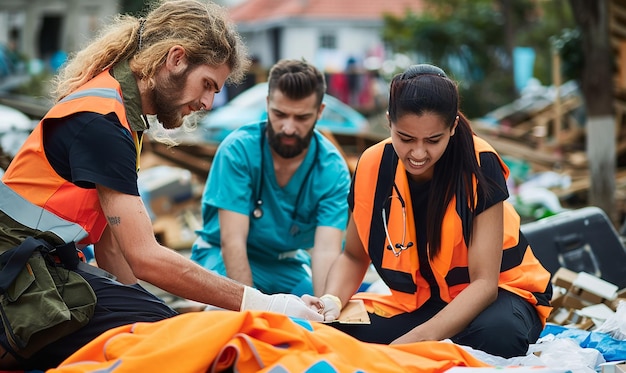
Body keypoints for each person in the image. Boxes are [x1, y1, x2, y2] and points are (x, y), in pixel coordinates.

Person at [0, 2, 323, 371]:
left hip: (34, 268)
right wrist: (268, 304)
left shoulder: (117, 109)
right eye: (207, 85)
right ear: (175, 58)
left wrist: (154, 308)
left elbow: (113, 252)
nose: (207, 102)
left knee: (168, 330)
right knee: (177, 346)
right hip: (17, 280)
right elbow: (145, 256)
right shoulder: (103, 122)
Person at [303, 64, 553, 358]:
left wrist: (419, 339)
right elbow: (354, 256)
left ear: (452, 127)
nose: (418, 153)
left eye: (433, 140)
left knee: (498, 336)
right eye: (406, 139)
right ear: (389, 123)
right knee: (333, 331)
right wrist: (331, 301)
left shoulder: (479, 163)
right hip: (423, 303)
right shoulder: (371, 165)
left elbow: (485, 284)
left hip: (500, 295)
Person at [191, 59, 351, 297]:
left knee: (313, 313)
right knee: (227, 317)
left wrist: (323, 310)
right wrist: (254, 308)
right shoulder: (238, 151)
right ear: (267, 104)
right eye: (280, 114)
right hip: (221, 255)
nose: (288, 127)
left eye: (301, 118)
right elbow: (232, 243)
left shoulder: (332, 169)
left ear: (319, 112)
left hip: (283, 264)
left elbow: (327, 250)